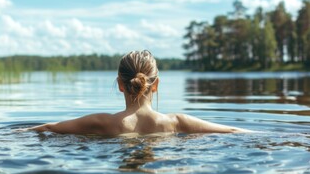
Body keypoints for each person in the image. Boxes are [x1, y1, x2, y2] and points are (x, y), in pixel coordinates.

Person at [29, 50, 250, 135]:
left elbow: (49, 128)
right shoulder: (177, 122)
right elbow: (231, 130)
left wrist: (16, 133)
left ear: (120, 84)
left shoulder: (103, 122)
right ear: (156, 84)